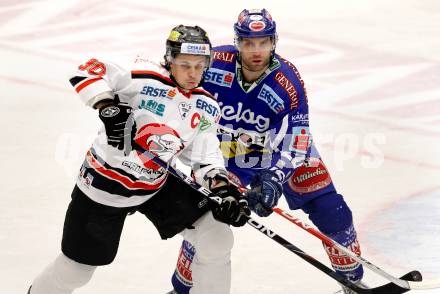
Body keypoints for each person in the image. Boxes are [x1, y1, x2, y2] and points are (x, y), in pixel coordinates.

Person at [27, 25, 250, 294]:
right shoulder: (142, 75)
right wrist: (107, 105)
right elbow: (86, 69)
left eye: (199, 66)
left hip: (156, 184)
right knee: (75, 271)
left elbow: (205, 156)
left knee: (216, 236)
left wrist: (222, 189)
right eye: (185, 65)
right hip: (104, 186)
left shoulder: (206, 106)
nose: (193, 74)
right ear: (169, 60)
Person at [168, 9, 365, 294]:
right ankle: (182, 289)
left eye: (263, 42)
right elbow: (174, 87)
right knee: (207, 220)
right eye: (249, 43)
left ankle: (354, 282)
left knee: (331, 210)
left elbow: (298, 139)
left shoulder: (287, 80)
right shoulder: (213, 64)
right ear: (238, 42)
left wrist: (274, 177)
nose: (256, 50)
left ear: (274, 42)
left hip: (279, 154)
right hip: (229, 157)